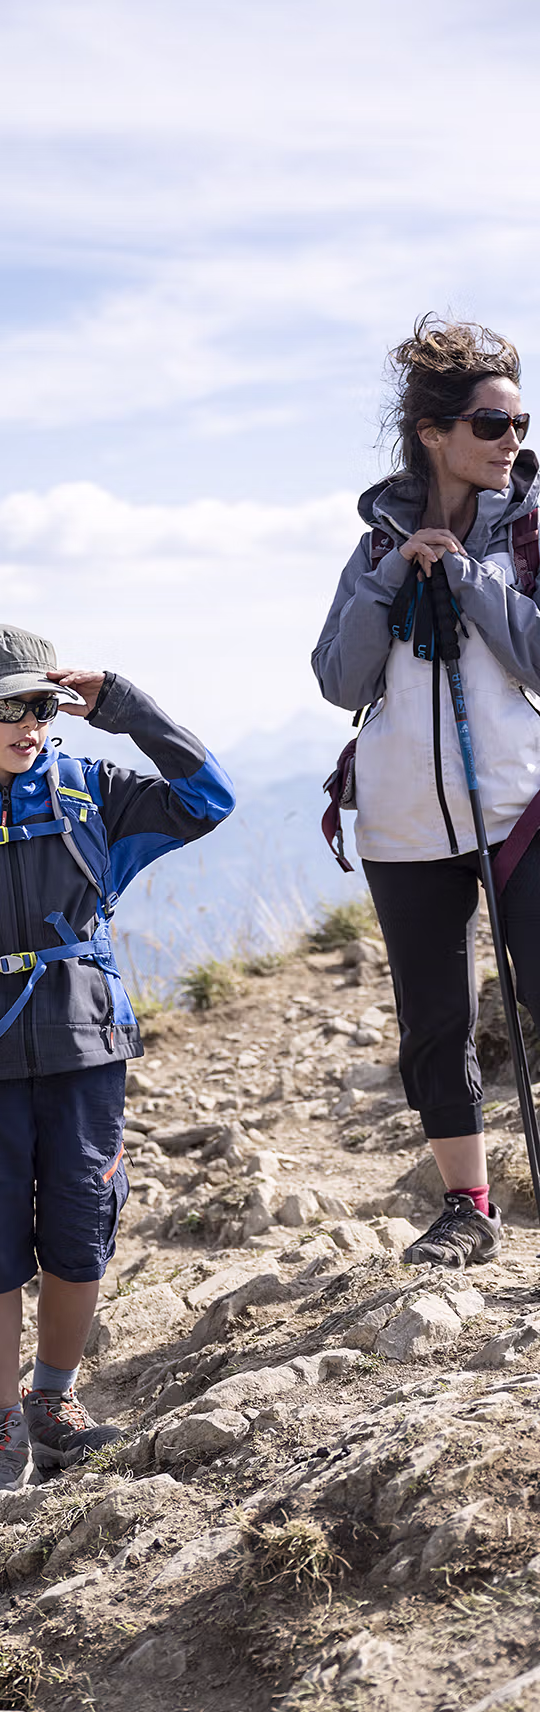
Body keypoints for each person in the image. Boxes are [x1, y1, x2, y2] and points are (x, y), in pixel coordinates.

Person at [0, 624, 234, 1505]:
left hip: (86, 1048)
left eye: (38, 704)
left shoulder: (93, 792)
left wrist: (121, 703)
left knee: (82, 1229)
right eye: (3, 706)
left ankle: (54, 1398)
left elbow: (209, 796)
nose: (27, 722)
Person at [315, 317, 540, 1271]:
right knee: (436, 1024)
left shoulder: (525, 537)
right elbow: (337, 679)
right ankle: (468, 1207)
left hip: (522, 809)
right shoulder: (373, 545)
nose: (513, 444)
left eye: (522, 425)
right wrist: (393, 577)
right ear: (434, 432)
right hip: (405, 824)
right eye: (494, 425)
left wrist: (465, 574)